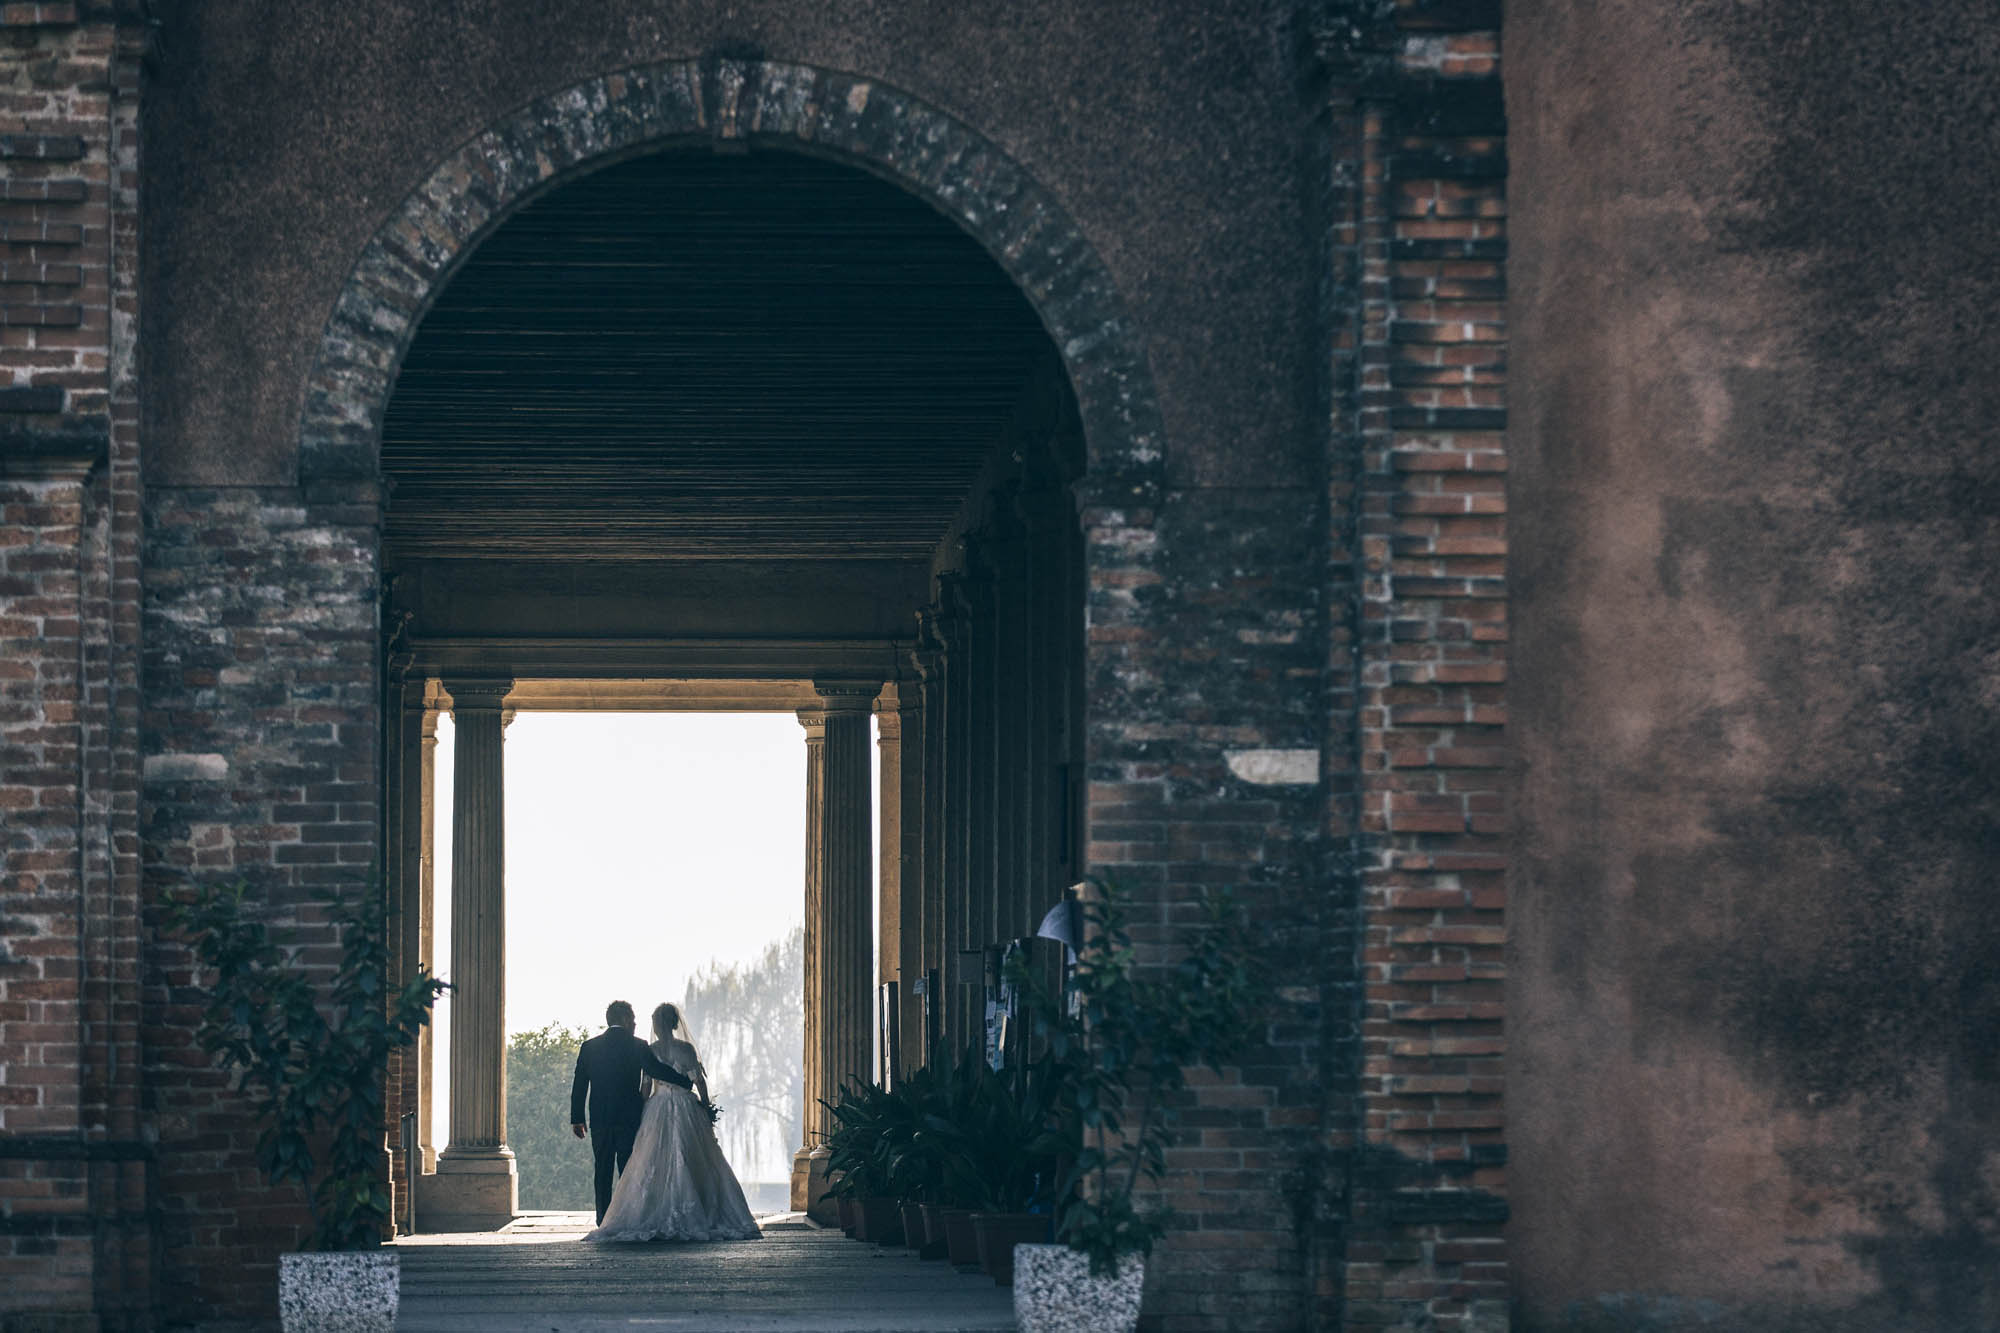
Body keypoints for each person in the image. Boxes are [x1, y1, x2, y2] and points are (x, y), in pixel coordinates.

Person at [583, 1001, 761, 1243]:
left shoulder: (649, 1048)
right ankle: (698, 1208)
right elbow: (699, 1081)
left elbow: (646, 1086)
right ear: (675, 1023)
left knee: (647, 1163)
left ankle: (634, 1212)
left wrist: (642, 1111)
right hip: (687, 1107)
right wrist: (704, 1104)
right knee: (694, 1159)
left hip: (657, 1107)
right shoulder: (685, 1049)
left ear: (656, 1026)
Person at [571, 999, 697, 1223]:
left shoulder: (589, 1047)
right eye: (634, 1019)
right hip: (628, 1117)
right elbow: (655, 1069)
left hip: (600, 1118)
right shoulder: (637, 1045)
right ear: (625, 1019)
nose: (636, 1024)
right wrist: (685, 1082)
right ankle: (625, 1216)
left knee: (602, 1168)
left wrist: (577, 1118)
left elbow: (580, 1084)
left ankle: (603, 1219)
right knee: (628, 1169)